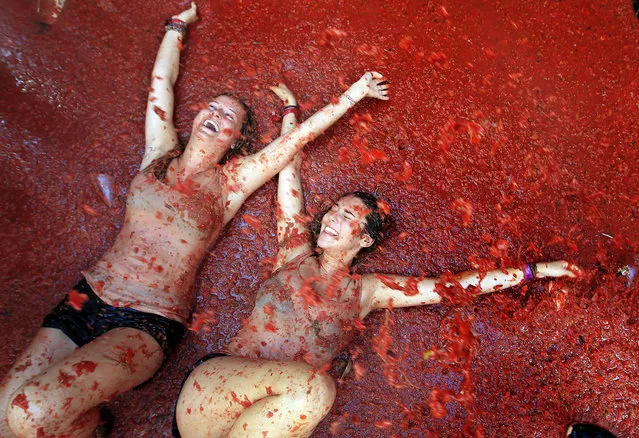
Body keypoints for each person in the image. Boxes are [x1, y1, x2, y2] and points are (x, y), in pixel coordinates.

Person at [0, 3, 390, 437]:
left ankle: (84, 423)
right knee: (3, 418)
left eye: (229, 119)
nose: (216, 117)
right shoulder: (158, 153)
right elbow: (160, 85)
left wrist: (352, 95)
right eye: (213, 108)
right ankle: (82, 423)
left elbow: (295, 143)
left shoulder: (230, 183)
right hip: (85, 296)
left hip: (145, 320)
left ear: (235, 139)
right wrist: (177, 26)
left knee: (29, 412)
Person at [174, 84, 580, 437]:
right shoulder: (293, 252)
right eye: (334, 210)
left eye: (348, 217)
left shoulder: (368, 292)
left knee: (312, 395)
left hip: (270, 422)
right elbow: (288, 173)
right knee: (316, 389)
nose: (333, 216)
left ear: (364, 239)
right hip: (212, 398)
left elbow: (449, 288)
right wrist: (290, 113)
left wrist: (536, 271)